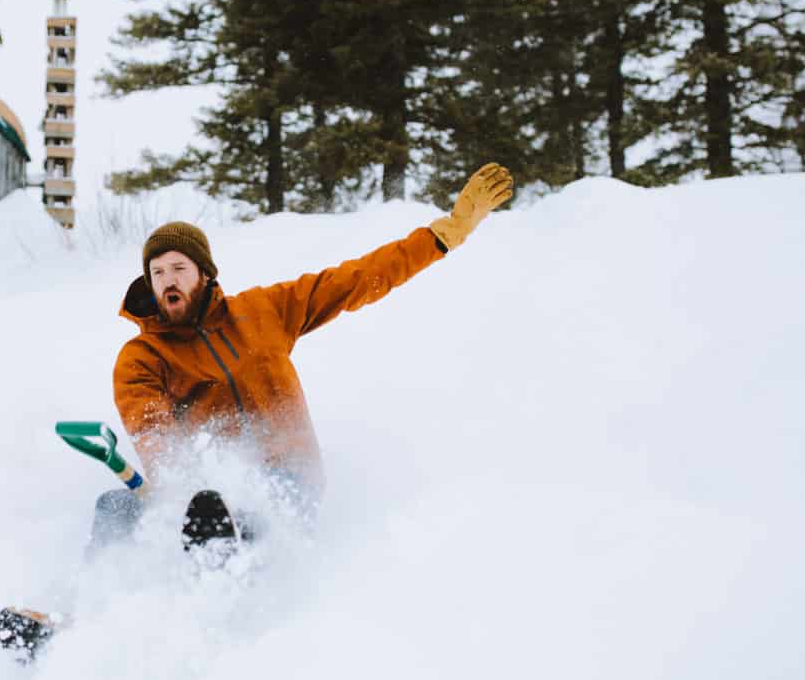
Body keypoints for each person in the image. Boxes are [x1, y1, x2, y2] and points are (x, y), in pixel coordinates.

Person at [88, 163, 515, 551]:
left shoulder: (263, 311)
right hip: (199, 493)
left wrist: (443, 235)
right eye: (157, 273)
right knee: (116, 508)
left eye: (178, 268)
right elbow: (151, 427)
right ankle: (87, 608)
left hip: (287, 479)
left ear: (204, 272)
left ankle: (226, 596)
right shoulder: (142, 355)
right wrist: (173, 481)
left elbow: (353, 279)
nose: (167, 281)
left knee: (251, 516)